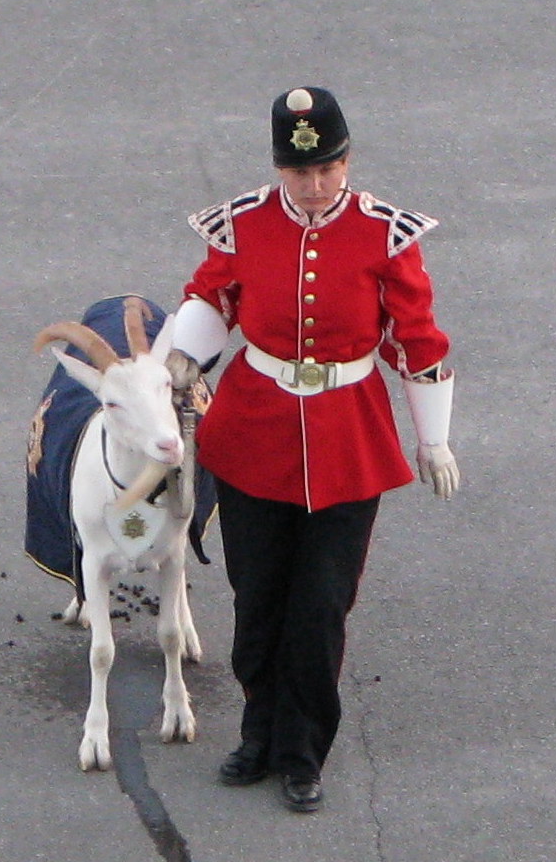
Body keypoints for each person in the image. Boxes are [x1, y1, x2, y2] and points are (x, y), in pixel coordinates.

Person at [165, 86, 459, 813]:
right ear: (278, 170)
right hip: (253, 431)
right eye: (300, 174)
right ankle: (258, 732)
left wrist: (434, 438)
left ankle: (301, 752)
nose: (316, 185)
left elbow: (413, 334)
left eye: (328, 169)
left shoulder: (385, 234)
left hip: (347, 439)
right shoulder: (242, 224)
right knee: (257, 597)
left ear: (346, 160)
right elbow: (214, 297)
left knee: (321, 605)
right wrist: (181, 355)